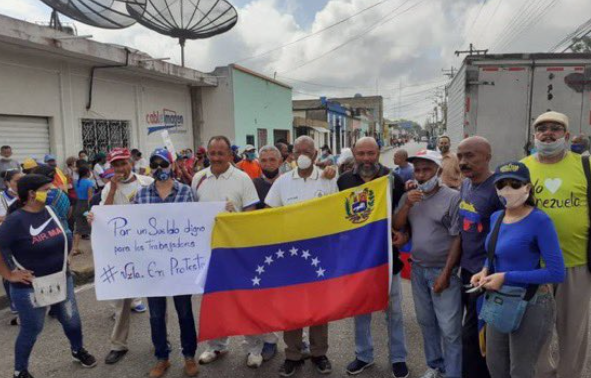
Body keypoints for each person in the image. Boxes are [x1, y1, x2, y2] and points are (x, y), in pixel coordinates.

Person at [471, 161, 565, 378]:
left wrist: (505, 277)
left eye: (515, 184)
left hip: (531, 302)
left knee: (521, 369)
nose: (508, 190)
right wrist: (485, 270)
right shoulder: (497, 217)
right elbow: (494, 254)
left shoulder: (540, 221)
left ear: (528, 188)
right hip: (500, 299)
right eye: (501, 185)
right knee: (496, 366)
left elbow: (556, 272)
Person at [0, 174, 97, 378]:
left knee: (72, 321)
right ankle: (20, 370)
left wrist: (67, 256)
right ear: (32, 194)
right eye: (48, 189)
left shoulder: (51, 211)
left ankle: (78, 350)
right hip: (30, 287)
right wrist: (9, 274)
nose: (53, 192)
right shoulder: (15, 221)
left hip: (62, 279)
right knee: (32, 329)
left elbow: (66, 234)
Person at [521, 111, 591, 378]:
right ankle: (542, 374)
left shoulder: (585, 166)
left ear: (567, 136)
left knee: (573, 331)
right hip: (534, 266)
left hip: (576, 264)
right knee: (536, 331)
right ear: (534, 135)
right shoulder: (523, 167)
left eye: (555, 128)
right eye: (542, 129)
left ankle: (569, 375)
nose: (548, 133)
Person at [265, 136, 338, 377]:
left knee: (319, 307)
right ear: (292, 155)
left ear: (316, 155)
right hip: (290, 257)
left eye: (308, 150)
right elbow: (268, 215)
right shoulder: (283, 182)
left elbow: (336, 213)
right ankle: (293, 355)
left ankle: (319, 353)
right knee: (292, 307)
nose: (303, 154)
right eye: (299, 151)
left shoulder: (328, 179)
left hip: (319, 255)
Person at [337, 137, 409, 378]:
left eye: (371, 153)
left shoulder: (393, 179)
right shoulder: (343, 181)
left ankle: (398, 358)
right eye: (361, 154)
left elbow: (404, 216)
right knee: (361, 311)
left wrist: (404, 234)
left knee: (394, 313)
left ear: (379, 152)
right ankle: (363, 355)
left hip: (388, 258)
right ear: (354, 154)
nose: (366, 159)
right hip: (358, 261)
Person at [192, 136, 262, 365]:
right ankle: (216, 346)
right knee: (214, 300)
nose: (216, 158)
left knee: (245, 300)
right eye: (212, 153)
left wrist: (236, 215)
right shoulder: (198, 179)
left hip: (237, 250)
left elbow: (252, 215)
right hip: (209, 251)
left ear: (230, 155)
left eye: (221, 153)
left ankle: (253, 349)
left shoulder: (243, 179)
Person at [393, 149, 462, 378]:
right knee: (426, 323)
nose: (422, 175)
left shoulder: (452, 197)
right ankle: (435, 366)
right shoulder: (411, 195)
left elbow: (457, 238)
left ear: (438, 171)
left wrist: (446, 272)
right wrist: (407, 205)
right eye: (418, 170)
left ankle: (453, 372)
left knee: (450, 329)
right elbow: (397, 223)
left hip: (443, 271)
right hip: (418, 269)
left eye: (427, 169)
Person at [133, 148, 198, 378]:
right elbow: (130, 228)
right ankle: (162, 357)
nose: (160, 168)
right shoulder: (141, 195)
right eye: (155, 164)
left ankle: (189, 356)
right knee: (156, 316)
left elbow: (199, 222)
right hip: (153, 268)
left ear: (172, 165)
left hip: (179, 266)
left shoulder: (186, 192)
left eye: (164, 163)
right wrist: (97, 219)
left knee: (185, 313)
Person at [454, 136, 502, 378]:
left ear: (488, 156)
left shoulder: (498, 190)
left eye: (470, 156)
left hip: (485, 275)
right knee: (471, 333)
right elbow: (463, 233)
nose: (463, 161)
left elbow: (505, 236)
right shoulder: (465, 185)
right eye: (460, 156)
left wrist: (488, 271)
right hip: (466, 270)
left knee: (475, 335)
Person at [99, 148, 152, 365]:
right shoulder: (107, 188)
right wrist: (111, 189)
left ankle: (162, 340)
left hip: (148, 249)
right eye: (116, 165)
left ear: (130, 162)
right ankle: (118, 345)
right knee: (122, 303)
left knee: (156, 298)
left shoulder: (147, 182)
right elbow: (103, 215)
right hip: (122, 252)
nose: (120, 169)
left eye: (123, 163)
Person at [0, 169, 23, 326]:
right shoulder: (1, 198)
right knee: (10, 271)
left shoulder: (25, 195)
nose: (19, 183)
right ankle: (15, 303)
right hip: (6, 240)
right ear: (7, 183)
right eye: (16, 180)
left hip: (23, 239)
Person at [71, 166, 93, 255]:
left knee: (78, 228)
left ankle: (75, 248)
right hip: (86, 206)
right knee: (92, 226)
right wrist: (89, 208)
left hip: (78, 205)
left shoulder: (76, 182)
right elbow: (90, 197)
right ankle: (96, 247)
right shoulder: (89, 182)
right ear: (87, 173)